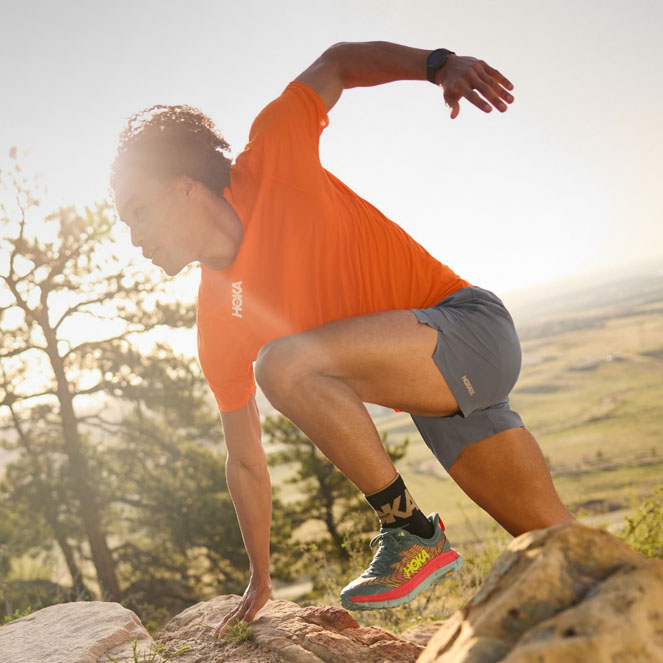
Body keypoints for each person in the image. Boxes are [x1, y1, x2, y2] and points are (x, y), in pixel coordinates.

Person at [109, 41, 574, 639]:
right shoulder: (218, 316)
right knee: (560, 545)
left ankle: (408, 530)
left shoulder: (273, 152)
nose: (133, 238)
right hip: (437, 394)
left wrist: (439, 66)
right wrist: (260, 575)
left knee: (283, 365)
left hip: (469, 326)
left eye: (138, 211)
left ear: (184, 185)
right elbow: (246, 459)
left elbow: (337, 64)